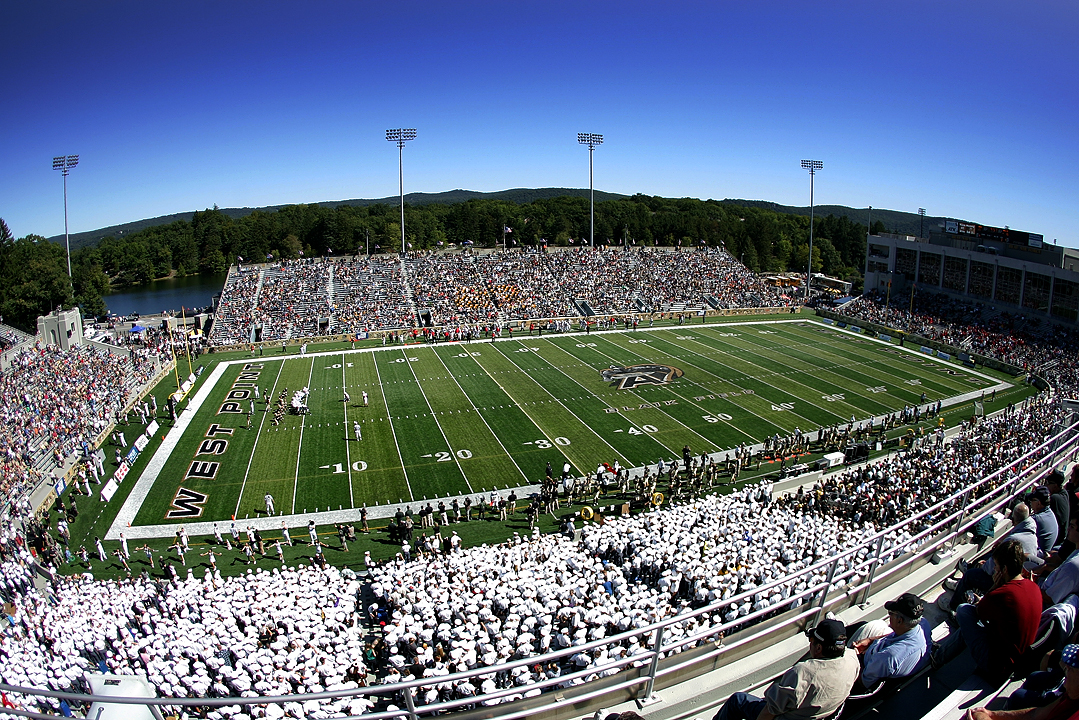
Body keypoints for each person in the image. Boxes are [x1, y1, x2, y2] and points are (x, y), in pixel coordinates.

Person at [934, 539, 1043, 683]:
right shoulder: (1033, 587)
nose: (994, 570)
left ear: (1004, 570)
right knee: (971, 626)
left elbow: (977, 612)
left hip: (996, 666)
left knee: (964, 610)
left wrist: (994, 587)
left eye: (996, 566)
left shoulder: (1003, 593)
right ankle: (940, 655)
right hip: (1017, 659)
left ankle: (937, 658)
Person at [713, 618, 859, 720]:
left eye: (812, 641)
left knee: (737, 700)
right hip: (819, 714)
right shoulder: (852, 659)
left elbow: (770, 710)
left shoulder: (803, 672)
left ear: (819, 647)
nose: (810, 644)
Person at [965, 644, 1079, 720]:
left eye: (1070, 668)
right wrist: (991, 714)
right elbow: (1035, 714)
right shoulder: (1071, 696)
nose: (1064, 668)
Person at [851, 593, 932, 689]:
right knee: (874, 624)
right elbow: (896, 636)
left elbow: (863, 682)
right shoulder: (923, 624)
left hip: (865, 668)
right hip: (883, 659)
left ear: (899, 621)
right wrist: (870, 640)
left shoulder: (888, 657)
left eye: (891, 613)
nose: (889, 616)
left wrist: (853, 658)